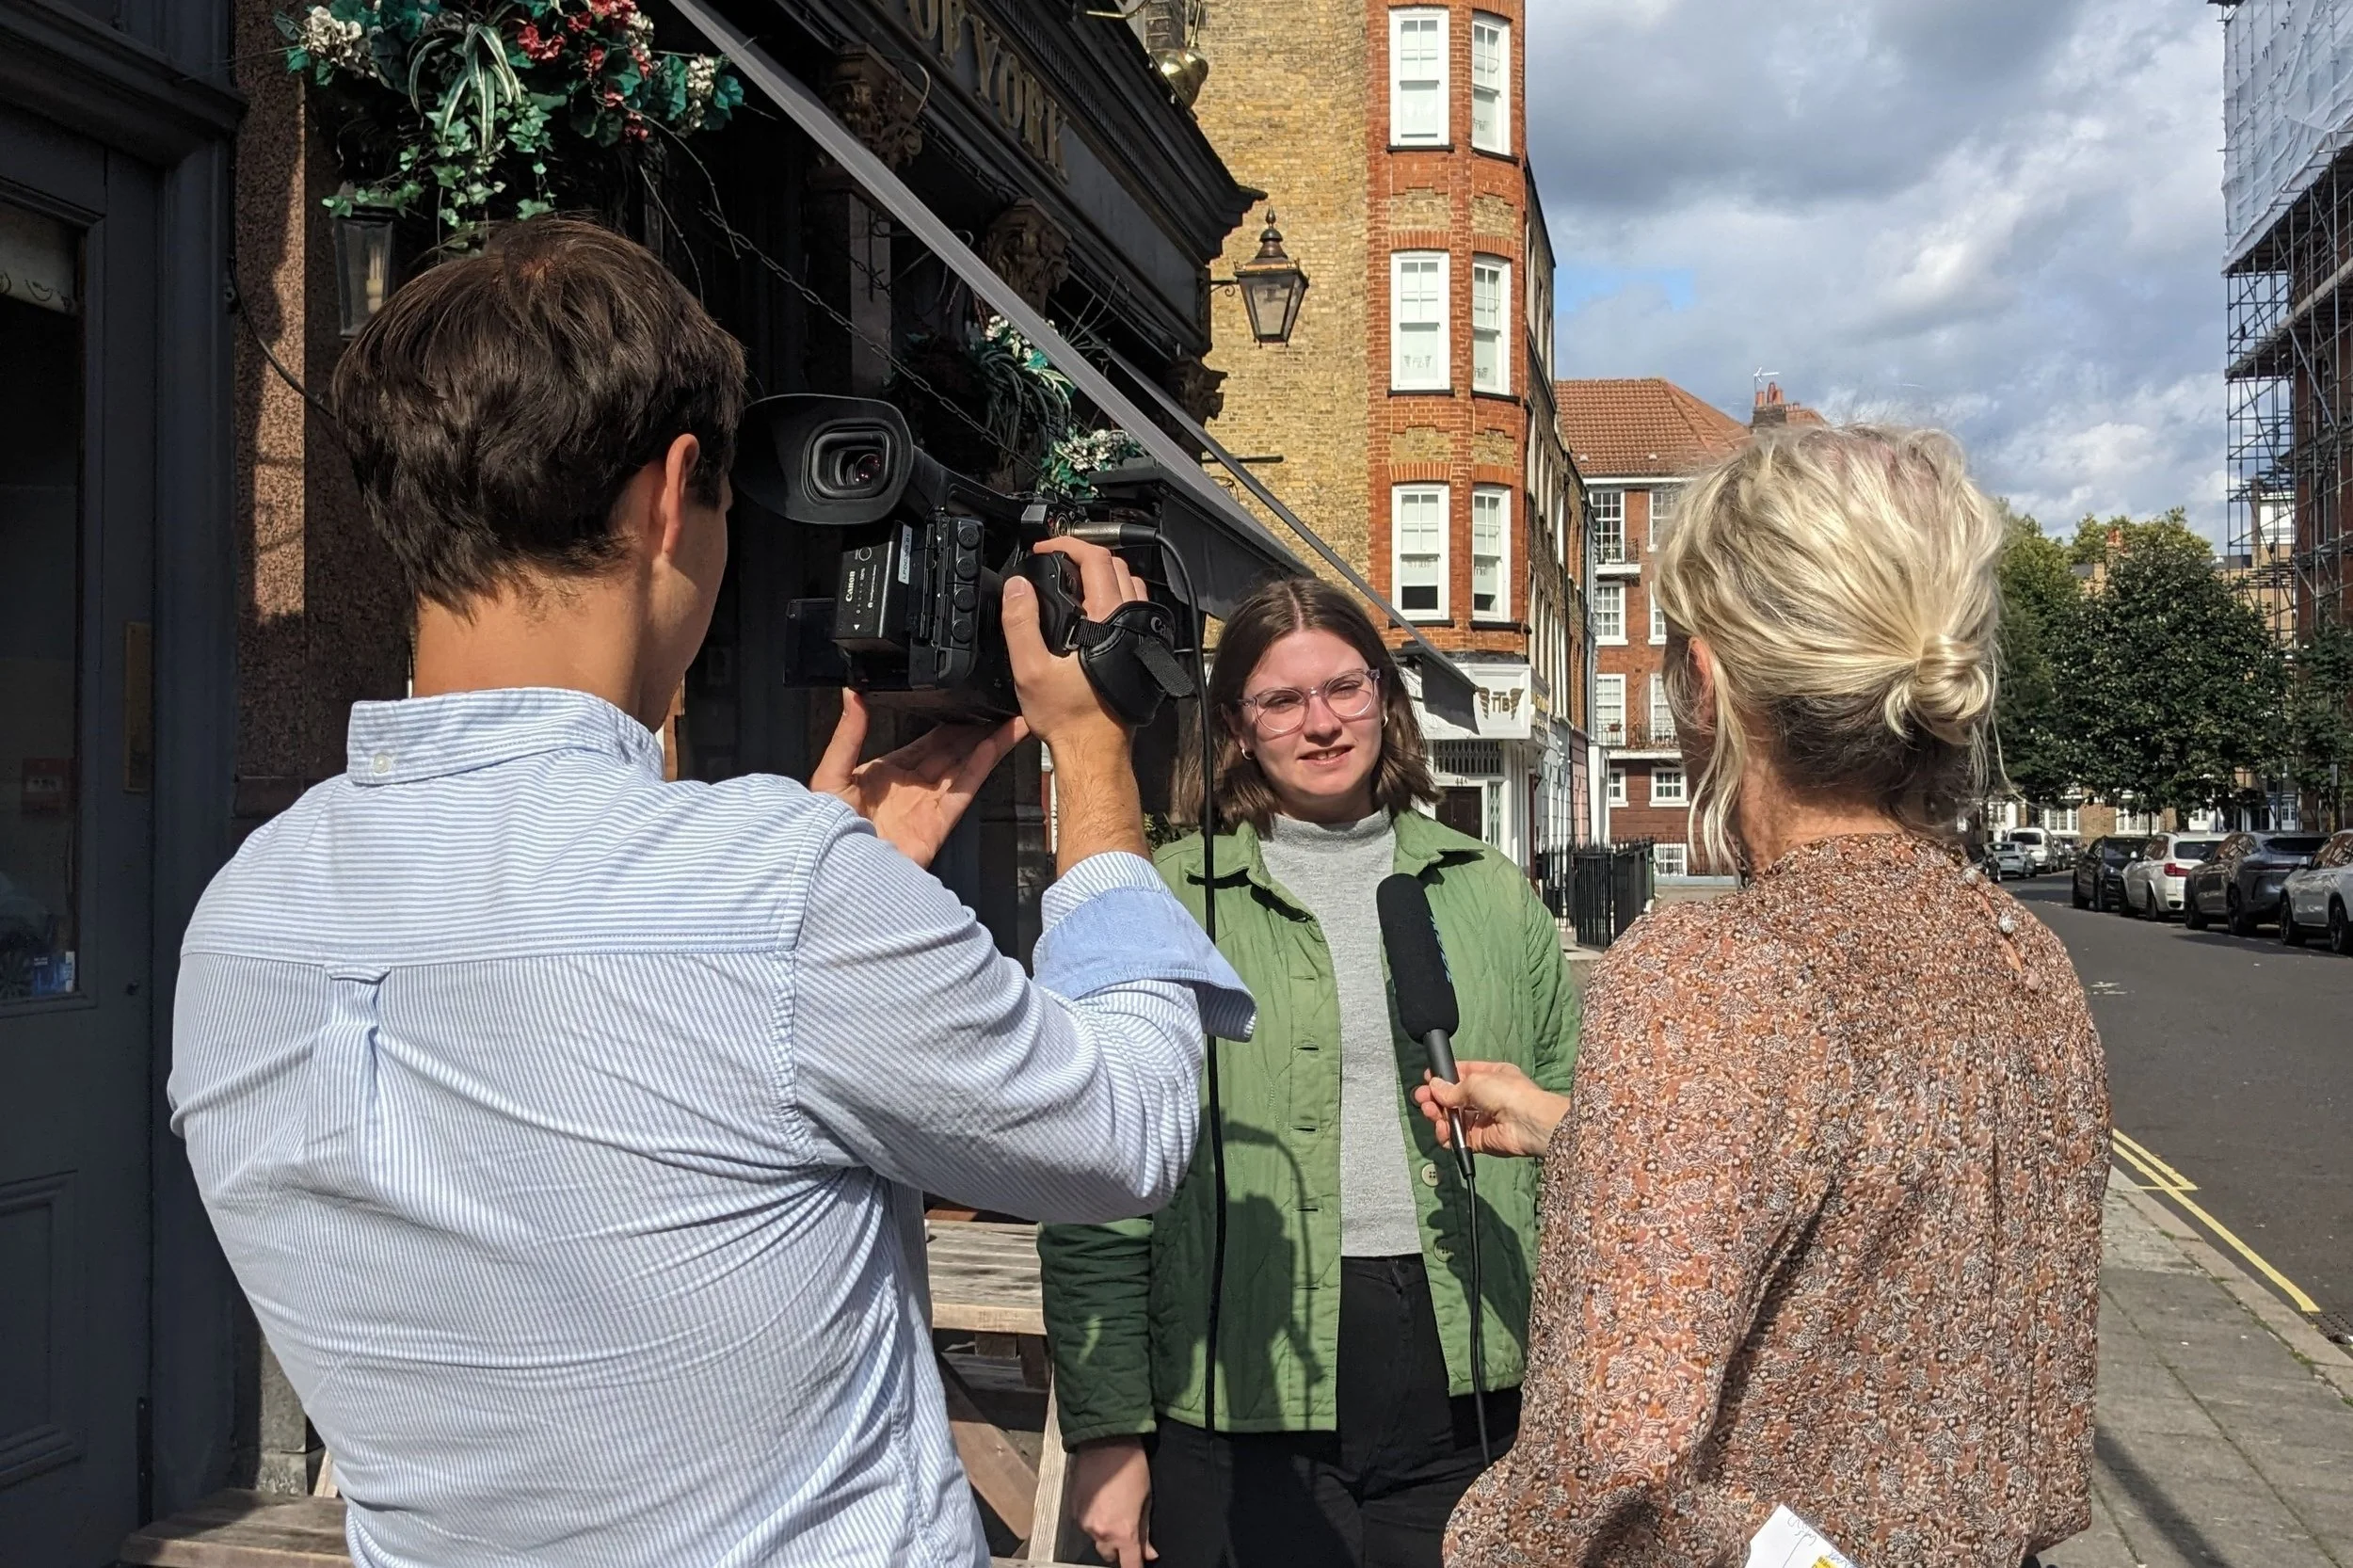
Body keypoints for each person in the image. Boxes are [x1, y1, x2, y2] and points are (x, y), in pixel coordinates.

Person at [168, 217, 1252, 1568]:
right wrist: (1094, 762)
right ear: (672, 491)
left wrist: (813, 887)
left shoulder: (242, 914)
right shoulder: (775, 893)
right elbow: (1127, 1131)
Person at [1417, 424, 2109, 1565]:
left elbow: (1609, 1475)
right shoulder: (2022, 957)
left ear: (1708, 678)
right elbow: (1877, 1198)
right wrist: (1588, 1132)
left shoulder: (1712, 976)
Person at [1040, 577, 1582, 1568]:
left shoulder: (1492, 896)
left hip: (1470, 1375)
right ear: (1237, 728)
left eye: (1344, 688)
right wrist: (1107, 1425)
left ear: (1386, 697)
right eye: (1282, 701)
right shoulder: (1169, 900)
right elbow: (1094, 1182)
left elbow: (1587, 1163)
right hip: (1241, 1379)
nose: (1322, 723)